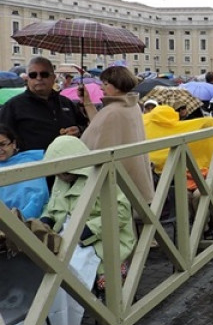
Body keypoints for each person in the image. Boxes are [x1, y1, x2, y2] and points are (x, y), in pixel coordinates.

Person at [39, 135, 135, 288]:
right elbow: (52, 207)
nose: (59, 176)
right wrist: (46, 220)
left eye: (63, 172)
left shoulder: (101, 175)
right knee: (44, 268)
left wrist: (89, 231)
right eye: (56, 172)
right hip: (67, 241)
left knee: (65, 274)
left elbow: (121, 212)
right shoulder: (62, 178)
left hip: (101, 242)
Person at [79, 65, 155, 206]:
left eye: (106, 84)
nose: (101, 88)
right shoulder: (133, 105)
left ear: (118, 86)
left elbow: (95, 145)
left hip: (117, 188)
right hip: (134, 181)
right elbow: (102, 125)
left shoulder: (112, 111)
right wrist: (88, 103)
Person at [0, 56, 87, 152]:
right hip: (33, 164)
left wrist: (79, 129)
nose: (38, 78)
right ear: (27, 79)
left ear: (53, 78)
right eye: (33, 75)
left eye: (44, 74)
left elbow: (86, 126)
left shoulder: (66, 103)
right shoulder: (13, 106)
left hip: (69, 159)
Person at [0, 124, 49, 219]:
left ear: (13, 143)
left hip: (31, 220)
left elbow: (39, 195)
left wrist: (20, 219)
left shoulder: (32, 158)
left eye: (2, 144)